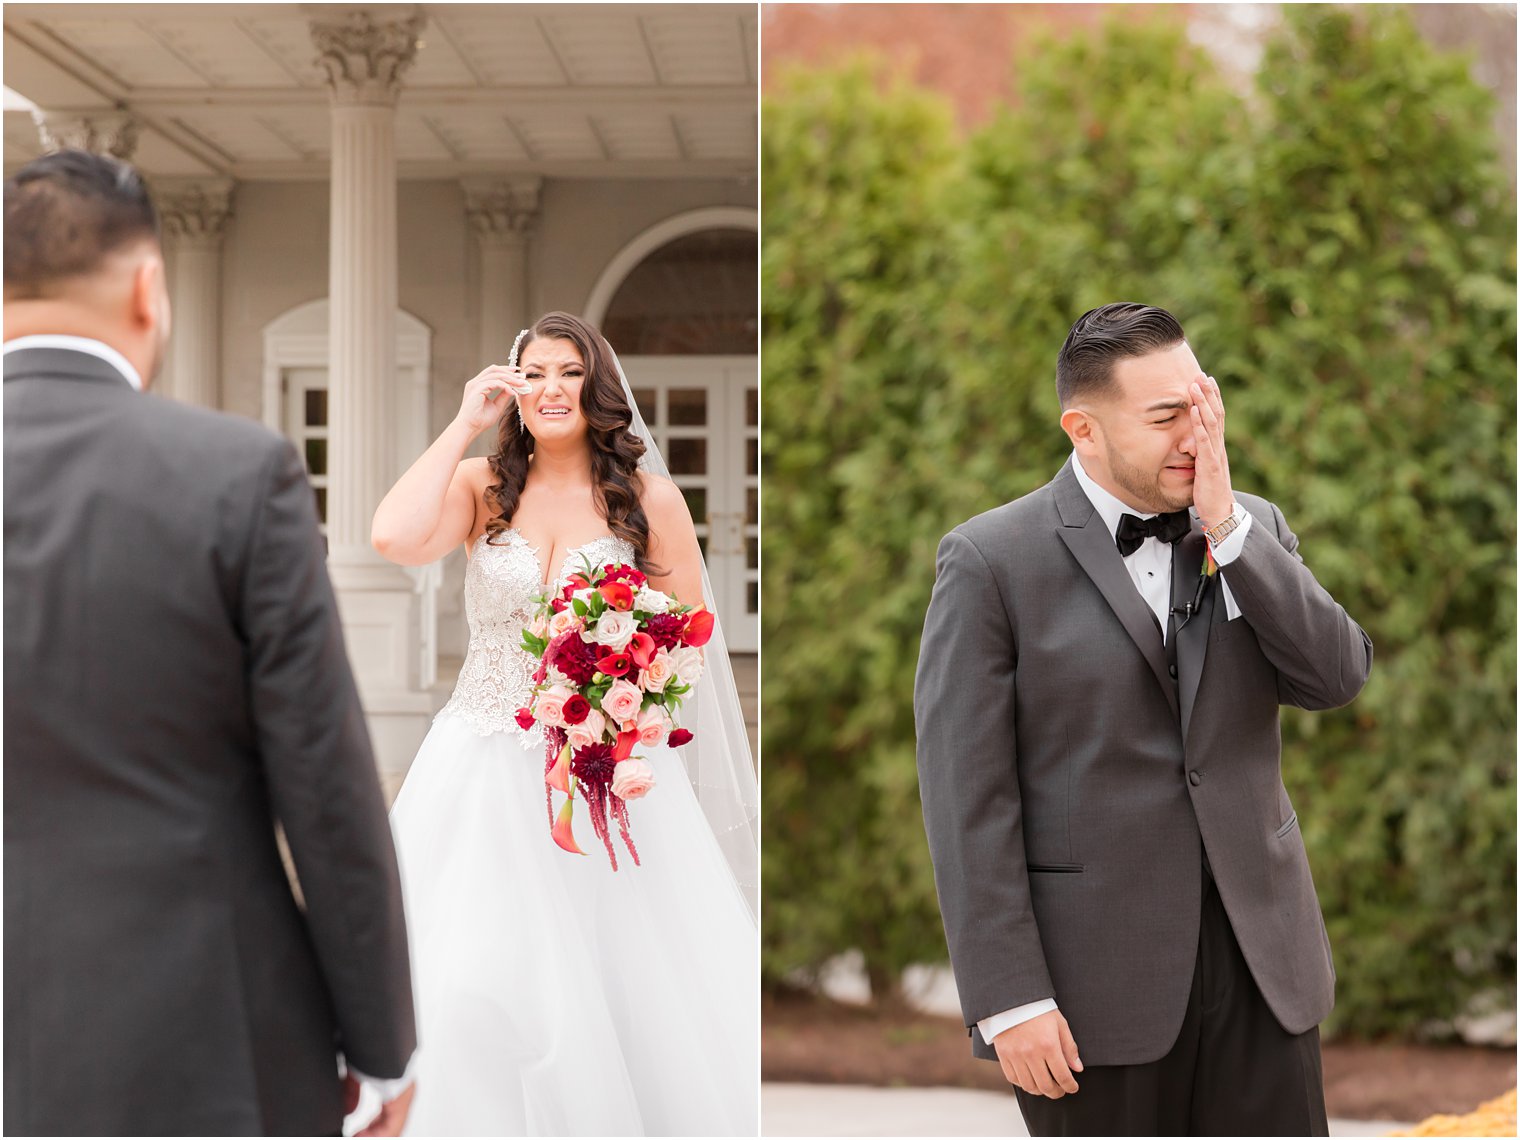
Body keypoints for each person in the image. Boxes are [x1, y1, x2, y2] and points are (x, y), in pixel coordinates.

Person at [4, 147, 418, 1137]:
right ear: (149, 290)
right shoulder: (235, 475)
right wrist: (380, 1046)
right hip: (200, 1033)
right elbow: (323, 785)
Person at [914, 303, 1373, 1136]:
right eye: (1167, 418)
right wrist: (1008, 998)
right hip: (1093, 989)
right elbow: (966, 800)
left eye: (1202, 407)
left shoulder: (1250, 528)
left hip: (1264, 969)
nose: (1195, 437)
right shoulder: (990, 561)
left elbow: (1336, 676)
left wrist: (1228, 529)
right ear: (1083, 429)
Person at [370, 310, 759, 1136]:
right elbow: (392, 537)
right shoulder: (482, 485)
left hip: (601, 773)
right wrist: (462, 424)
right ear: (513, 390)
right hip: (477, 764)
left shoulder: (647, 497)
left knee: (617, 987)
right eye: (534, 373)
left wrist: (626, 704)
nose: (551, 389)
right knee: (466, 976)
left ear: (596, 388)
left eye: (569, 373)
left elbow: (691, 629)